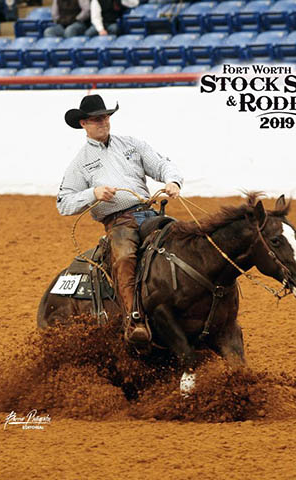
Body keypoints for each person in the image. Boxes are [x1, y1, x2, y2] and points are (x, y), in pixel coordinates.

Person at [58, 95, 183, 345]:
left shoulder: (132, 145)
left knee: (186, 244)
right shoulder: (80, 163)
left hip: (151, 215)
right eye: (96, 119)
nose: (103, 122)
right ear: (83, 124)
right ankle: (134, 319)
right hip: (120, 222)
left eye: (105, 117)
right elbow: (63, 202)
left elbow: (161, 165)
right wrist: (92, 193)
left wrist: (172, 181)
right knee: (125, 257)